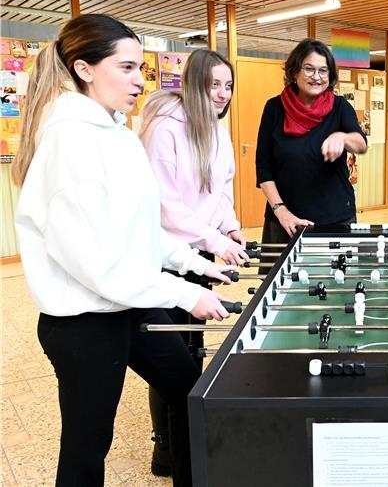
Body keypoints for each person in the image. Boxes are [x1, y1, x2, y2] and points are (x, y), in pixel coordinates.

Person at [11, 14, 233, 487]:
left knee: (188, 391)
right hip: (85, 323)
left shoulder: (116, 131)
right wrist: (183, 294)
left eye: (140, 69)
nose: (140, 80)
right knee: (88, 447)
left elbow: (140, 230)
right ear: (84, 69)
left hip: (125, 305)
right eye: (127, 68)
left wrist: (194, 263)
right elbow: (98, 262)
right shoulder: (69, 140)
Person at [138, 48, 247, 477]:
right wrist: (215, 239)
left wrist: (231, 227)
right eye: (213, 84)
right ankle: (164, 446)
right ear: (192, 84)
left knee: (191, 346)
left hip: (201, 253)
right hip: (165, 253)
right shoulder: (165, 128)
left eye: (227, 86)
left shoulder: (217, 129)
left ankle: (186, 432)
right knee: (168, 351)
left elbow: (221, 187)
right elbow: (165, 205)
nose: (222, 94)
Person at [255, 38, 367, 247]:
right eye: (309, 69)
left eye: (323, 71)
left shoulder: (340, 107)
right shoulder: (274, 108)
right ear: (295, 71)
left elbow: (361, 143)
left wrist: (342, 137)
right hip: (285, 220)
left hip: (335, 217)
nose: (317, 77)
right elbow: (264, 167)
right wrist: (280, 210)